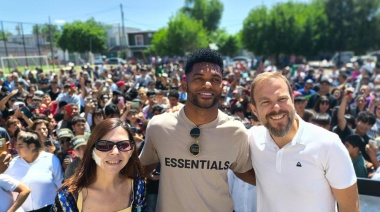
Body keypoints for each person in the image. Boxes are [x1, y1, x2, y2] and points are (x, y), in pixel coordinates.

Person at [139, 48, 254, 211]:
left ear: (222, 86)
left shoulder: (236, 131)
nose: (207, 85)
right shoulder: (159, 127)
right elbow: (141, 170)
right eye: (199, 78)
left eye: (215, 79)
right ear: (185, 84)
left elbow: (245, 171)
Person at [248, 72, 358, 211]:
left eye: (282, 99)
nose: (276, 107)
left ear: (292, 100)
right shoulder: (252, 139)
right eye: (265, 102)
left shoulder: (328, 144)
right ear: (254, 110)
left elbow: (350, 208)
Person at [51, 118, 146, 211]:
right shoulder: (67, 198)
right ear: (91, 152)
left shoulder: (138, 186)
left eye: (124, 145)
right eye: (104, 145)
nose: (115, 152)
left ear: (132, 150)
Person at [4, 129, 63, 211]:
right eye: (17, 146)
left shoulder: (51, 160)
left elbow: (61, 186)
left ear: (32, 146)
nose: (17, 149)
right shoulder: (12, 163)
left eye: (20, 146)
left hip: (49, 209)